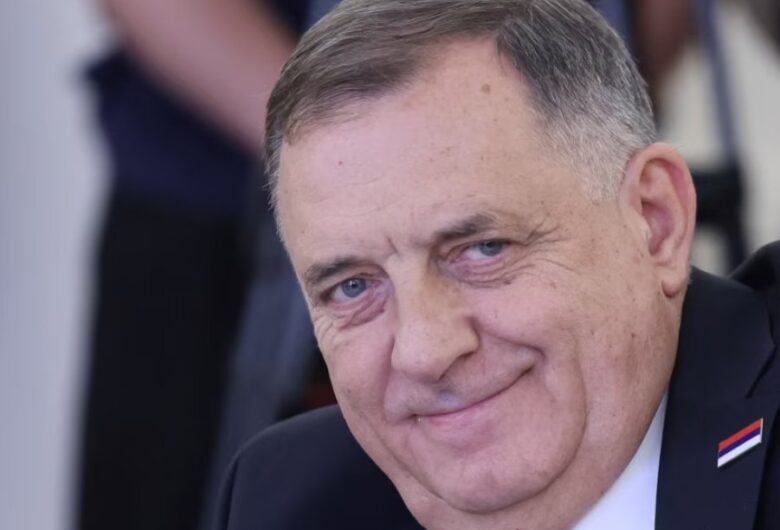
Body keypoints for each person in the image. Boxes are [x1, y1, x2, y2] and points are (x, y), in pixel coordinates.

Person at [214, 1, 780, 529]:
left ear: (655, 222)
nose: (424, 352)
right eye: (353, 286)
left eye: (482, 249)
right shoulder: (290, 501)